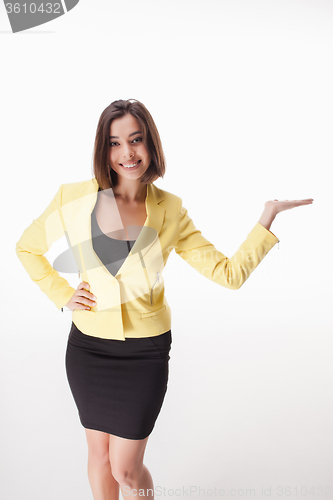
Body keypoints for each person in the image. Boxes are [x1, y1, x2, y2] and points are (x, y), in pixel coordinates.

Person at [15, 98, 314, 500]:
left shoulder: (170, 210)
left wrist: (266, 219)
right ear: (103, 150)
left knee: (126, 468)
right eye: (114, 142)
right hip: (87, 348)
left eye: (136, 140)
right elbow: (27, 248)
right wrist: (63, 293)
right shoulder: (72, 198)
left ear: (150, 145)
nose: (127, 153)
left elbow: (228, 274)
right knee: (99, 457)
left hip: (144, 353)